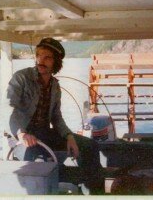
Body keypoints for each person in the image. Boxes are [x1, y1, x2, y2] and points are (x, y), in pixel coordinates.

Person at [6, 37, 104, 194]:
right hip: (21, 137)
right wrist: (22, 133)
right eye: (38, 55)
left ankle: (93, 194)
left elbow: (56, 117)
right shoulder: (21, 78)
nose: (41, 61)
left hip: (44, 134)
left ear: (56, 63)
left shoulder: (55, 86)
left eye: (47, 57)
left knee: (90, 146)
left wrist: (69, 136)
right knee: (40, 165)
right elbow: (10, 107)